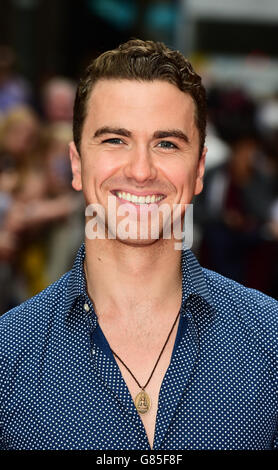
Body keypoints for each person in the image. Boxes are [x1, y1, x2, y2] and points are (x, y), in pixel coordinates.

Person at [0, 39, 277, 451]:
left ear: (199, 169)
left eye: (167, 143)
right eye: (115, 140)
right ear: (77, 164)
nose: (141, 170)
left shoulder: (268, 337)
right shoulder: (9, 353)